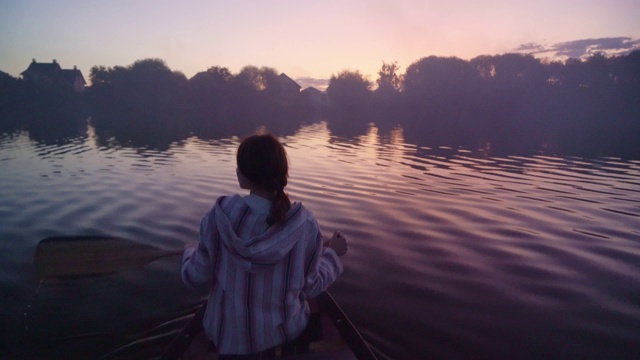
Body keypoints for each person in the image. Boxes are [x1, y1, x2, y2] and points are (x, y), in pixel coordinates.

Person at [181, 133, 348, 357]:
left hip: (226, 337)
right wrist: (332, 255)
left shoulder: (216, 218)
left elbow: (194, 277)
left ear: (245, 177)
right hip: (282, 334)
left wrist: (188, 252)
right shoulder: (306, 225)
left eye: (240, 166)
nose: (237, 171)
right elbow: (311, 286)